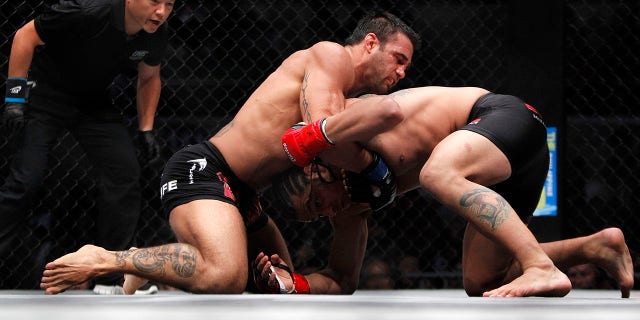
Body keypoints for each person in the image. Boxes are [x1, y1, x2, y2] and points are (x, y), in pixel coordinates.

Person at [40, 11, 421, 294]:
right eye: (398, 59)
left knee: (278, 282)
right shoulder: (331, 56)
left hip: (244, 194)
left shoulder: (347, 93)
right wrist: (375, 170)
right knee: (226, 275)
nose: (401, 72)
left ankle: (148, 264)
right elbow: (319, 128)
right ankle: (107, 258)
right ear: (370, 43)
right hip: (205, 170)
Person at [256, 86, 634, 297]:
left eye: (316, 202)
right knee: (481, 281)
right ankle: (596, 247)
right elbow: (342, 278)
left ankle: (539, 266)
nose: (327, 211)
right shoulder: (353, 204)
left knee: (438, 174)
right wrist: (295, 284)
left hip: (505, 118)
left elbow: (383, 109)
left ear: (314, 168)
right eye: (317, 216)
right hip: (505, 167)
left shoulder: (348, 133)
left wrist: (309, 139)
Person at [0, 0, 173, 292]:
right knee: (24, 182)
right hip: (47, 94)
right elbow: (25, 36)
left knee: (125, 172)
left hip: (92, 103)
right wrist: (15, 100)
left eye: (169, 4)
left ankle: (109, 278)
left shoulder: (154, 32)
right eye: (155, 1)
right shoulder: (86, 10)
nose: (162, 12)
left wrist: (147, 130)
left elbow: (149, 77)